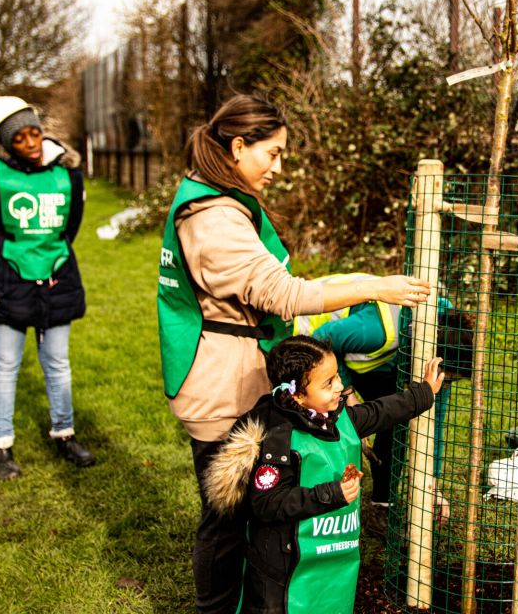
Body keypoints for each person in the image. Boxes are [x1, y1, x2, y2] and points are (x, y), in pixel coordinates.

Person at [156, 94, 431, 613]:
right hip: (220, 384)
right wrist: (374, 285)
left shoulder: (217, 197)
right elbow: (282, 294)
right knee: (225, 519)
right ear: (238, 146)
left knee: (243, 514)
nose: (279, 167)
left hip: (234, 372)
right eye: (272, 153)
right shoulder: (212, 217)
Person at [202, 335, 444, 613]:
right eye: (328, 383)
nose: (340, 387)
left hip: (331, 560)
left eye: (337, 377)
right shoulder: (278, 438)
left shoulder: (336, 419)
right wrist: (331, 493)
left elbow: (381, 412)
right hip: (281, 572)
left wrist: (424, 392)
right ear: (296, 395)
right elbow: (266, 503)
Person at [0, 96, 96, 480]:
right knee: (6, 366)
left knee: (58, 365)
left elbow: (71, 228)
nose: (30, 143)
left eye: (35, 133)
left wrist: (49, 260)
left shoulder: (68, 175)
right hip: (8, 284)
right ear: (6, 143)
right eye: (20, 139)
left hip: (56, 281)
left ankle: (65, 436)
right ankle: (1, 447)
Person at [292, 273, 474, 507]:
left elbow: (433, 421)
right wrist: (346, 394)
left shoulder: (445, 347)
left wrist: (433, 485)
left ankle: (382, 501)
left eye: (450, 382)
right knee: (327, 419)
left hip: (370, 360)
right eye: (446, 379)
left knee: (397, 415)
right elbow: (323, 339)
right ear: (432, 356)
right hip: (309, 337)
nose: (444, 384)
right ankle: (315, 493)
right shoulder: (378, 331)